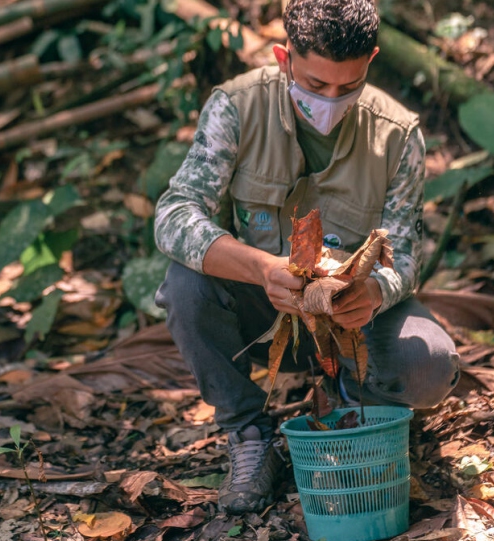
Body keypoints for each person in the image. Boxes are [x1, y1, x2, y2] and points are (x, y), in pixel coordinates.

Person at [153, 0, 461, 514]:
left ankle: (355, 414)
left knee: (427, 363)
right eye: (316, 86)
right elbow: (173, 214)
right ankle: (250, 436)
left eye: (349, 87)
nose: (332, 100)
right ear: (284, 57)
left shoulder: (397, 135)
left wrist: (375, 291)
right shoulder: (236, 107)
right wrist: (261, 268)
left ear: (372, 61)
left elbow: (404, 253)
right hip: (261, 311)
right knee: (187, 286)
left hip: (352, 321)